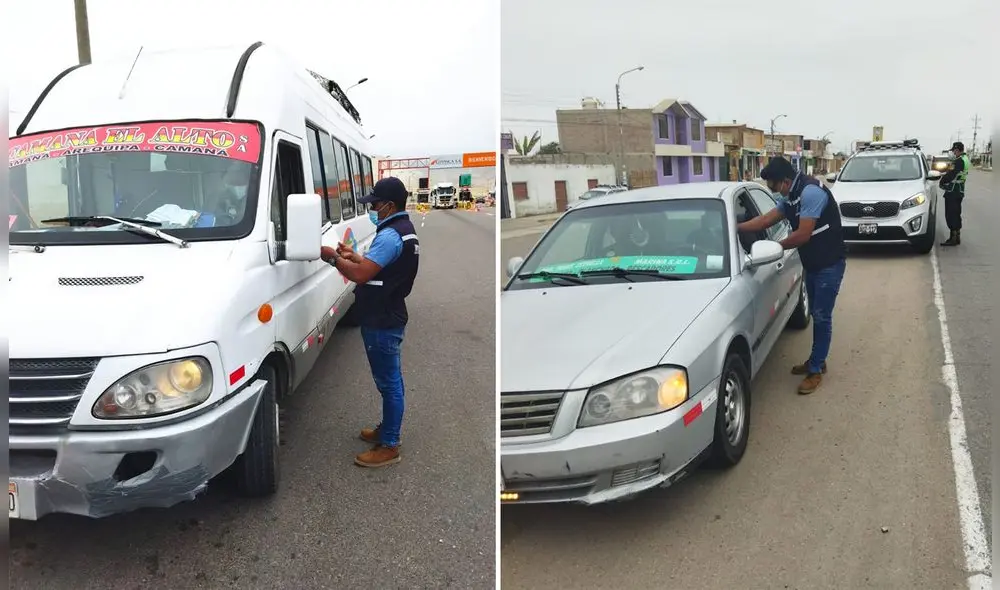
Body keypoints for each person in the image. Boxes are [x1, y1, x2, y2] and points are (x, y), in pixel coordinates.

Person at [320, 176, 419, 467]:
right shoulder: (402, 230)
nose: (372, 209)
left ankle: (389, 444)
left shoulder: (389, 236)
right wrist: (353, 256)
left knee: (389, 383)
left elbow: (361, 275)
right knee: (389, 381)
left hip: (382, 318)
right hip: (387, 312)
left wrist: (332, 258)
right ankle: (387, 430)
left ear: (390, 206)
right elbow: (374, 266)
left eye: (375, 205)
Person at [737, 157, 846, 395]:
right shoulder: (790, 196)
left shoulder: (810, 193)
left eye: (774, 186)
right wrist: (736, 227)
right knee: (817, 314)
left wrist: (777, 247)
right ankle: (817, 359)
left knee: (821, 316)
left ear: (786, 181)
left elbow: (803, 234)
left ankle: (815, 370)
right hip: (814, 264)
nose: (774, 191)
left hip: (829, 265)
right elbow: (765, 220)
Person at [939, 141, 972, 246]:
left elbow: (951, 174)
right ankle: (957, 237)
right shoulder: (965, 159)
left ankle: (953, 239)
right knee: (956, 213)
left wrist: (942, 181)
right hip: (959, 189)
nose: (953, 153)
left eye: (953, 151)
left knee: (951, 214)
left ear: (957, 150)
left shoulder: (958, 161)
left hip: (953, 190)